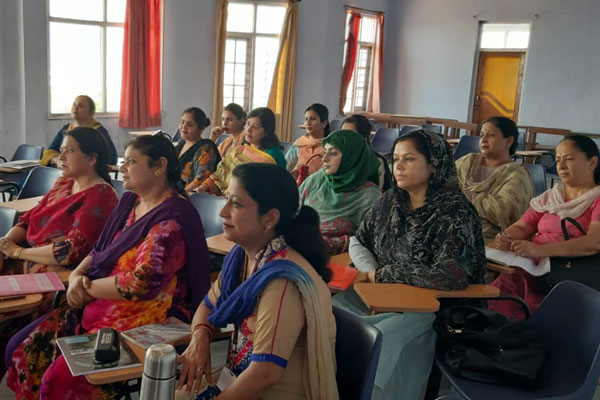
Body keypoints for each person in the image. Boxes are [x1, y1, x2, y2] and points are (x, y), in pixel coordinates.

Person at [6, 134, 211, 399]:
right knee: (19, 349)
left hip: (144, 319)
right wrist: (78, 274)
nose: (122, 168)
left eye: (132, 162)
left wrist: (86, 288)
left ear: (159, 166)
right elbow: (99, 250)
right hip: (97, 304)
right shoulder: (131, 202)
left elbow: (141, 283)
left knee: (57, 380)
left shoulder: (171, 220)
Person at [334, 129, 486, 399]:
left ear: (433, 164)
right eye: (395, 159)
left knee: (380, 338)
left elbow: (450, 276)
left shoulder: (455, 211)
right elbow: (359, 239)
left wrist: (384, 274)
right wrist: (371, 272)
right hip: (385, 296)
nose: (399, 166)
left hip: (434, 309)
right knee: (331, 311)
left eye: (409, 159)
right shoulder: (390, 201)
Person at [178, 163, 338, 399]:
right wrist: (201, 336)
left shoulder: (283, 280)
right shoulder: (242, 257)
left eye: (236, 204)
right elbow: (207, 306)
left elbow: (265, 374)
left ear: (270, 218)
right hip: (241, 379)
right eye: (226, 199)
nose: (223, 212)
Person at [0, 127, 119, 379]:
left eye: (70, 151)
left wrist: (18, 252)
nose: (61, 156)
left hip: (58, 280)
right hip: (27, 263)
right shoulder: (64, 183)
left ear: (92, 158)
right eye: (62, 150)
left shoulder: (101, 195)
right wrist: (5, 243)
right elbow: (28, 219)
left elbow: (68, 252)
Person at [491, 135, 600, 318]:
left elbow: (594, 242)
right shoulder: (551, 197)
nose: (561, 166)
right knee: (499, 296)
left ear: (592, 163)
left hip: (567, 275)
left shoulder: (596, 200)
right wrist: (506, 237)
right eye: (558, 160)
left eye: (569, 159)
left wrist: (541, 250)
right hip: (531, 268)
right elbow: (523, 226)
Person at [299, 129, 381, 254]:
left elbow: (371, 241)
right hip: (300, 249)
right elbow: (293, 211)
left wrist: (335, 243)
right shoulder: (317, 179)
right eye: (324, 152)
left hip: (340, 259)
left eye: (333, 153)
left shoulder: (369, 196)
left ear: (351, 157)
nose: (324, 159)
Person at [455, 116, 534, 241]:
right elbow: (444, 189)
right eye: (482, 135)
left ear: (508, 141)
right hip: (453, 229)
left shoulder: (516, 174)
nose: (483, 140)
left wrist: (471, 199)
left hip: (491, 240)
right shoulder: (468, 162)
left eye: (491, 135)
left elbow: (506, 211)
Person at [196, 107, 285, 195]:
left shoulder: (273, 154)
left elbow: (275, 188)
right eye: (248, 124)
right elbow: (220, 175)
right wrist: (204, 186)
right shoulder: (241, 150)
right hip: (226, 196)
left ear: (267, 132)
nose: (248, 130)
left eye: (255, 126)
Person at [40, 95, 118, 166]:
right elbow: (50, 151)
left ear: (91, 112)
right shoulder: (66, 128)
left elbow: (111, 158)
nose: (75, 108)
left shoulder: (97, 131)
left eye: (81, 106)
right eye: (74, 105)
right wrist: (57, 160)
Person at [341, 114, 393, 191]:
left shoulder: (376, 162)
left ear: (364, 138)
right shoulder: (337, 158)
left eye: (350, 134)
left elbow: (375, 193)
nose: (345, 138)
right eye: (342, 134)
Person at [175, 107, 221, 192]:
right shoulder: (181, 144)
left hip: (190, 195)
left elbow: (200, 181)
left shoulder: (205, 149)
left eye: (190, 125)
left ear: (200, 129)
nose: (184, 127)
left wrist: (179, 196)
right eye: (182, 122)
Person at [285, 103, 330, 179]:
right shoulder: (299, 144)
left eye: (313, 119)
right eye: (306, 119)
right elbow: (285, 167)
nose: (308, 123)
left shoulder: (329, 146)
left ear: (324, 123)